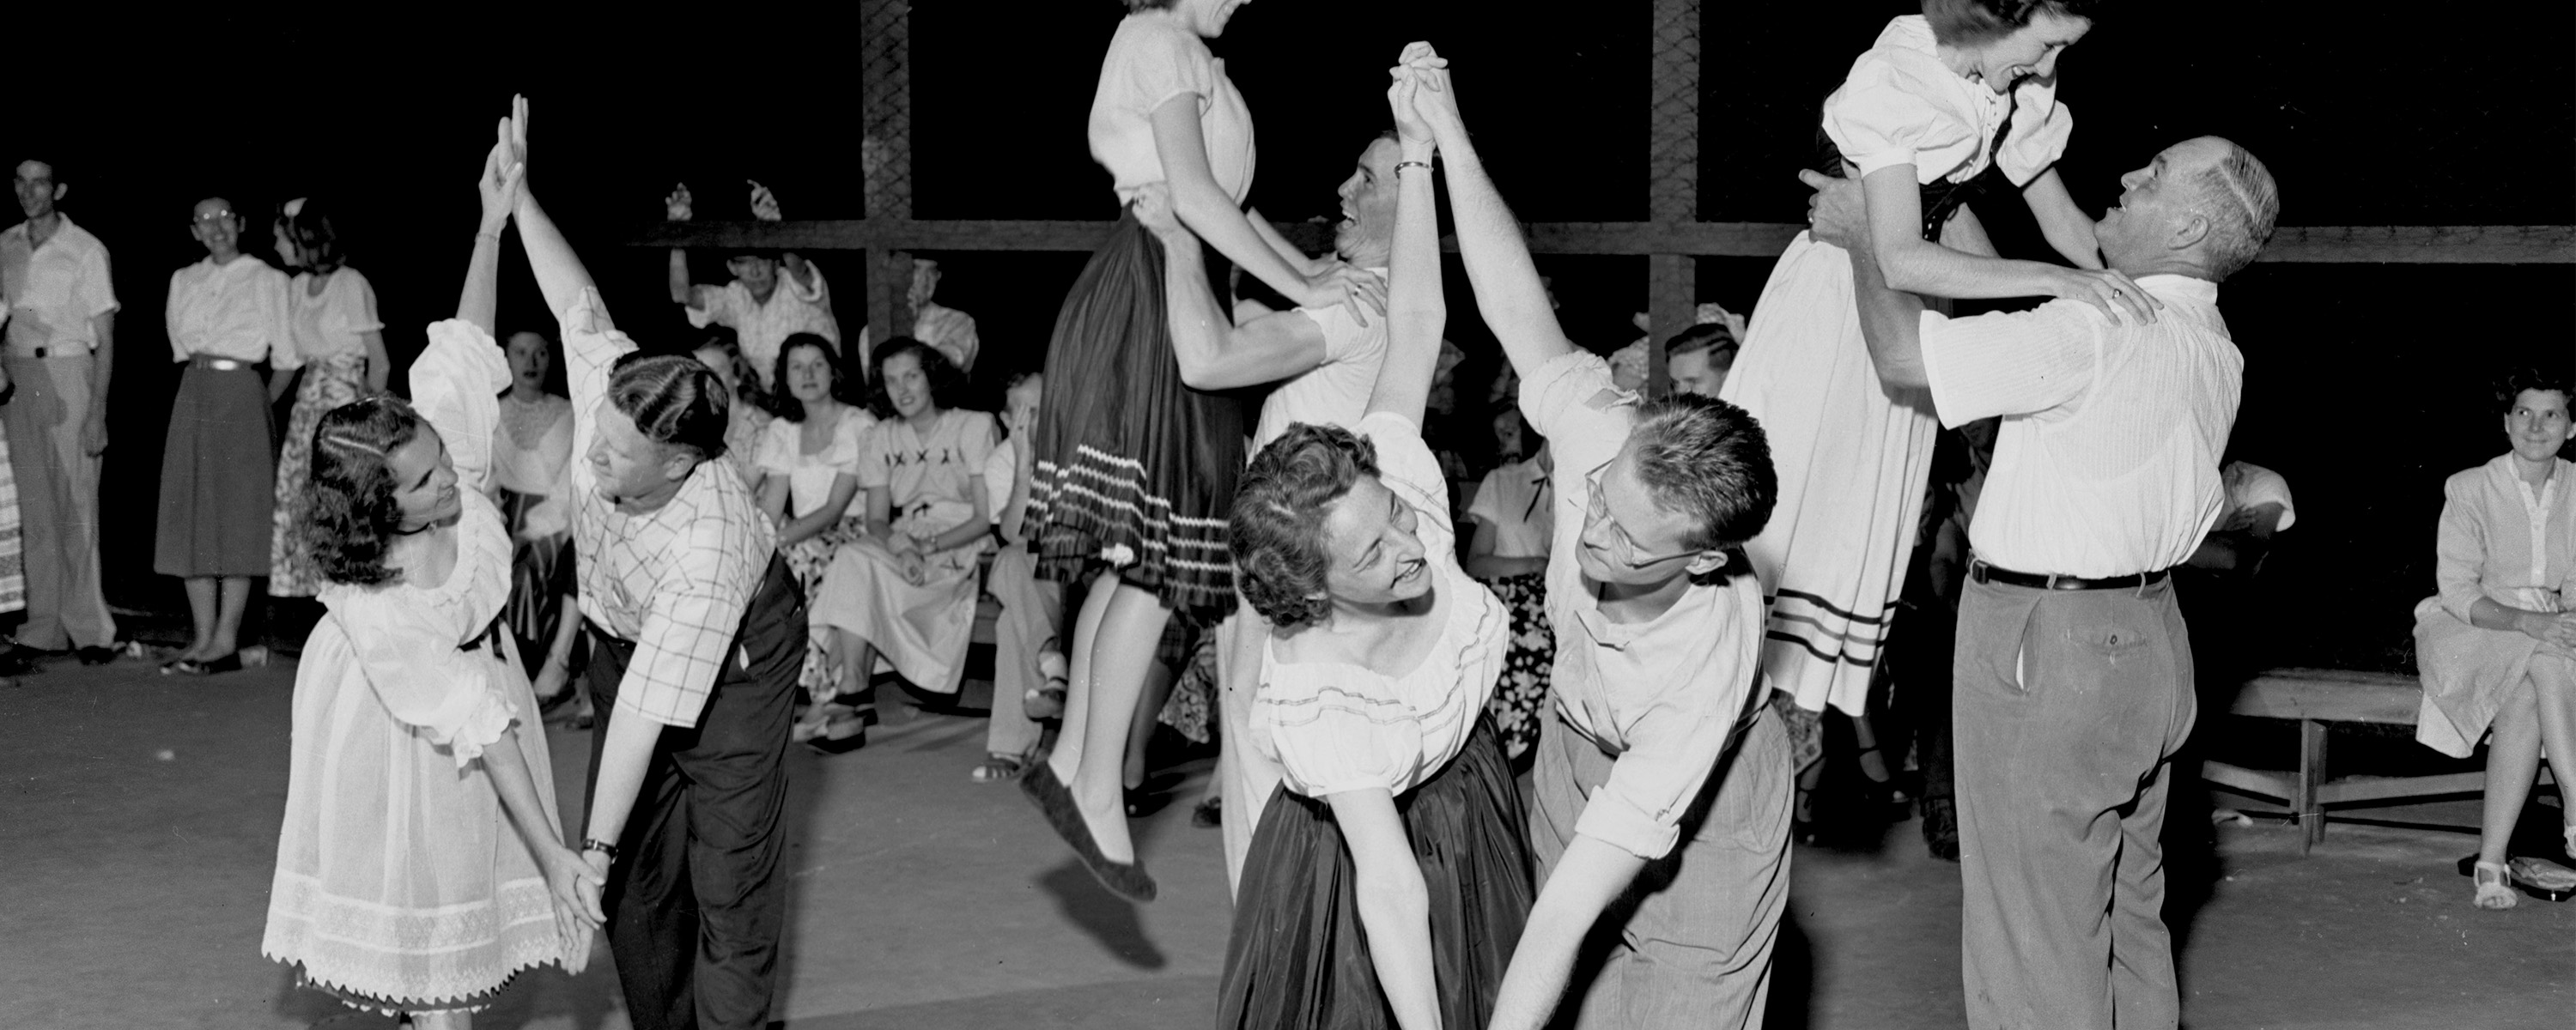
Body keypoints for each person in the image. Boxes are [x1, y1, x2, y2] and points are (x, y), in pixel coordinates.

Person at [1820, 130, 2280, 1027]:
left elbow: (1906, 361)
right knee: (2123, 918)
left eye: (2149, 178)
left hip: (2048, 647)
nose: (2123, 175)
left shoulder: (2095, 328)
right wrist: (1941, 217)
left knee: (2033, 935)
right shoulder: (2206, 340)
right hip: (2149, 646)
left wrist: (1866, 239)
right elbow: (2022, 334)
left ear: (2187, 224)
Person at [1404, 46, 1789, 1029]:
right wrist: (1446, 130)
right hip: (1578, 741)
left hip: (1707, 787)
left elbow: (1569, 909)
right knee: (1573, 1005)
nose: (1592, 534)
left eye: (1629, 536)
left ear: (1703, 559)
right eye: (1600, 500)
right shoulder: (1608, 436)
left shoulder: (1697, 663)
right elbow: (1515, 305)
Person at [1018, 0, 1382, 903]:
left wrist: (1302, 272)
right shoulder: (1161, 41)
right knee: (1158, 552)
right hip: (1150, 283)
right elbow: (1192, 196)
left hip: (1166, 276)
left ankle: (1073, 761)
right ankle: (1097, 784)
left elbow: (1233, 205)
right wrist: (1303, 279)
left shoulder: (1190, 57)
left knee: (1136, 554)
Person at [1724, 0, 2154, 741]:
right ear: (1992, 9)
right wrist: (2059, 284)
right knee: (1773, 531)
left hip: (1914, 308)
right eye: (2045, 45)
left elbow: (2067, 228)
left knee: (1841, 555)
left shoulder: (2011, 81)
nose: (2049, 71)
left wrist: (2158, 300)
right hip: (1839, 300)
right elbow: (1898, 251)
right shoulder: (1903, 72)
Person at [1211, 67, 1533, 1030]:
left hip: (1472, 795)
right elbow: (1389, 889)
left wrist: (1422, 146)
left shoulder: (1398, 476)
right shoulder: (1320, 697)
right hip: (1359, 858)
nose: (1408, 549)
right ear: (1316, 597)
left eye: (1390, 515)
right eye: (1372, 554)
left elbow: (1420, 318)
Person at [260, 116, 595, 1030]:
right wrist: (556, 855)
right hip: (393, 717)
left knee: (475, 929)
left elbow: (460, 351)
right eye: (426, 482)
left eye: (443, 457)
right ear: (378, 510)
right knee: (420, 908)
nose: (454, 477)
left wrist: (490, 226)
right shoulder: (376, 605)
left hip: (484, 688)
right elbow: (475, 729)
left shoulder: (445, 465)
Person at [502, 97, 808, 1030]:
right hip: (621, 638)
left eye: (611, 459)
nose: (587, 463)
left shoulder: (706, 544)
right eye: (595, 440)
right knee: (637, 880)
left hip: (739, 661)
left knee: (729, 872)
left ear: (679, 461)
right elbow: (575, 299)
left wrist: (583, 850)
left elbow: (642, 714)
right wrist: (517, 196)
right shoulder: (622, 388)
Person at [1144, 128, 1409, 887]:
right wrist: (1207, 185)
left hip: (1293, 564)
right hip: (1326, 562)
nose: (1342, 192)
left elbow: (1208, 358)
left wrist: (1176, 236)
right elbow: (1264, 242)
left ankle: (1275, 972)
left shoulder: (1356, 307)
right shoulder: (1366, 288)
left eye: (1366, 179)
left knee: (1266, 766)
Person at [2411, 369, 2576, 909]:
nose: (2536, 425)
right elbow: (2457, 589)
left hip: (2549, 628)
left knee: (2532, 686)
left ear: (2571, 427)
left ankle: (2491, 863)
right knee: (2544, 660)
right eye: (2524, 413)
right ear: (2506, 423)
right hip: (2470, 627)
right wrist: (2530, 623)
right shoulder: (2468, 487)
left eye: (2551, 413)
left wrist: (2560, 619)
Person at [809, 338, 996, 744]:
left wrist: (926, 548)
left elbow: (984, 518)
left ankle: (852, 692)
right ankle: (854, 684)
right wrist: (901, 544)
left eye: (912, 376)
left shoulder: (974, 426)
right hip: (905, 538)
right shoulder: (879, 437)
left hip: (959, 539)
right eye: (892, 381)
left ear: (932, 376)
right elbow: (877, 519)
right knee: (852, 556)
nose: (903, 389)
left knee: (859, 568)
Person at [159, 195, 295, 676]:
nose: (216, 228)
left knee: (238, 515)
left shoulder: (269, 279)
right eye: (204, 221)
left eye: (224, 218)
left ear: (240, 224)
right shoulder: (183, 280)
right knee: (192, 513)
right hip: (193, 392)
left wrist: (257, 405)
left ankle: (225, 640)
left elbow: (287, 358)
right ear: (194, 231)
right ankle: (200, 638)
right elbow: (181, 345)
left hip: (241, 392)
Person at [0, 158, 119, 666]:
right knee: (33, 509)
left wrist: (98, 413)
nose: (30, 192)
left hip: (70, 372)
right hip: (16, 379)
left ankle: (90, 628)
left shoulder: (86, 249)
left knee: (77, 507)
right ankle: (43, 627)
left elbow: (107, 340)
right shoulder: (5, 244)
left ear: (59, 189)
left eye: (41, 183)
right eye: (22, 183)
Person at [752, 333, 877, 746]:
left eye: (817, 364)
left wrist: (780, 541)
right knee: (767, 572)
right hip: (803, 537)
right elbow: (772, 502)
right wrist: (760, 544)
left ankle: (829, 698)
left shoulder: (857, 424)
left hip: (851, 533)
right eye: (796, 367)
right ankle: (826, 694)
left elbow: (835, 509)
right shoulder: (784, 430)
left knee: (789, 569)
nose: (807, 375)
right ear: (784, 377)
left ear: (833, 371)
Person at [269, 197, 392, 598]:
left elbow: (380, 363)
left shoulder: (350, 283)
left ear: (302, 239)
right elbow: (290, 356)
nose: (276, 246)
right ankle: (314, 598)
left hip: (344, 403)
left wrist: (369, 426)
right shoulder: (296, 286)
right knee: (302, 502)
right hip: (308, 405)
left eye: (280, 238)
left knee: (344, 504)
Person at [974, 370, 1067, 782]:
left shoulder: (1085, 444)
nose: (1042, 419)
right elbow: (1014, 533)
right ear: (1008, 420)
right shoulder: (1002, 462)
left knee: (1013, 582)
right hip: (1035, 575)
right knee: (1012, 562)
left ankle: (1011, 747)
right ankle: (1053, 666)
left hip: (1078, 571)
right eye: (1029, 412)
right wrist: (1026, 459)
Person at [493, 329, 587, 728]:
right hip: (499, 515)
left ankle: (537, 676)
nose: (531, 362)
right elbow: (486, 479)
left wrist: (529, 532)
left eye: (541, 352)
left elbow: (566, 488)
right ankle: (502, 676)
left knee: (527, 569)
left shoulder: (566, 412)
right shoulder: (491, 410)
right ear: (506, 358)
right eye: (521, 352)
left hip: (554, 518)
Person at [666, 181, 841, 387]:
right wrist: (678, 233)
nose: (755, 272)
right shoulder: (737, 296)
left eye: (762, 261)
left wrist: (777, 228)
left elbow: (800, 270)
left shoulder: (796, 282)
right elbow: (682, 295)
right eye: (745, 263)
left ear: (776, 263)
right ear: (732, 267)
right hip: (771, 404)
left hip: (824, 394)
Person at [1463, 409, 1552, 767]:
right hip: (1511, 600)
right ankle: (1507, 752)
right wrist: (1535, 564)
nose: (1505, 442)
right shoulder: (1502, 481)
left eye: (1510, 432)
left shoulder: (1581, 483)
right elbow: (1476, 562)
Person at [692, 333, 774, 491]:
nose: (705, 382)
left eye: (714, 372)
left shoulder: (761, 425)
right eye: (698, 373)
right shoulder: (697, 421)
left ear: (737, 376)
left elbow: (742, 489)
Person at [907, 258, 981, 373]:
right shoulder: (876, 327)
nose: (925, 280)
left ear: (938, 276)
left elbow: (944, 368)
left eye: (931, 272)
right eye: (916, 270)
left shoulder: (958, 322)